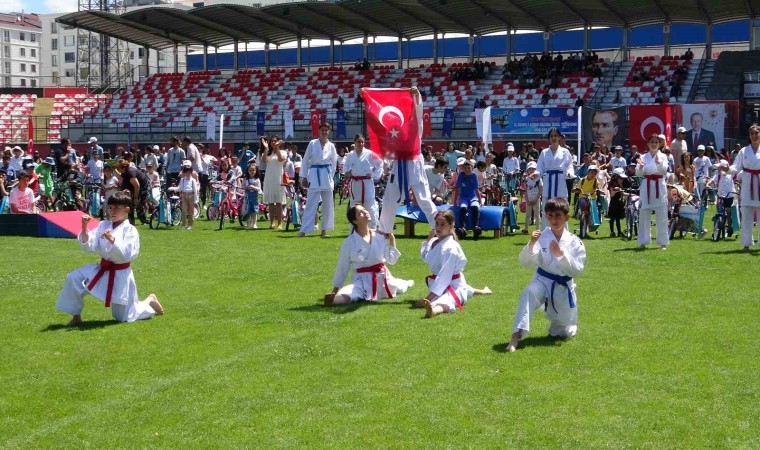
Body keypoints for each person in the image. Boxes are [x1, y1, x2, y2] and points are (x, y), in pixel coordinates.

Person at [55, 191, 164, 325]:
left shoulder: (130, 230)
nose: (112, 211)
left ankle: (149, 302)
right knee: (74, 278)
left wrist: (112, 240)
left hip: (121, 274)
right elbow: (90, 246)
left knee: (124, 317)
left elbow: (128, 255)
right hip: (101, 269)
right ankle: (76, 317)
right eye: (110, 208)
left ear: (126, 210)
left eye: (117, 208)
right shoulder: (103, 225)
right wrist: (84, 227)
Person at [506, 198, 586, 352]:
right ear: (545, 216)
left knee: (562, 332)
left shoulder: (575, 242)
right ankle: (515, 336)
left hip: (562, 284)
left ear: (567, 217)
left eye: (558, 215)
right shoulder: (541, 237)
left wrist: (562, 255)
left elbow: (577, 270)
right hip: (542, 279)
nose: (554, 220)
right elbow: (526, 262)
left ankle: (563, 325)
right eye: (550, 216)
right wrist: (531, 244)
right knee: (529, 292)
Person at [376, 87, 439, 236]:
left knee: (424, 199)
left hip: (414, 163)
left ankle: (439, 228)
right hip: (399, 164)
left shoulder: (416, 125)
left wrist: (417, 97)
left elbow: (418, 111)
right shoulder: (394, 128)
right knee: (390, 198)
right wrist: (366, 96)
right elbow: (379, 115)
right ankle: (384, 231)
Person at [325, 205, 414, 306]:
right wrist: (335, 289)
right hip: (361, 280)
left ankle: (407, 283)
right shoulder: (349, 242)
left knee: (400, 286)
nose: (365, 212)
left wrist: (392, 240)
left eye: (364, 210)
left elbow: (391, 260)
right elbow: (342, 266)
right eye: (360, 213)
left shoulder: (379, 236)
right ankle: (334, 299)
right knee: (350, 293)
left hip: (382, 277)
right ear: (355, 221)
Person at [418, 210, 492, 318]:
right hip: (440, 282)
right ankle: (483, 291)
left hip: (453, 284)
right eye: (437, 223)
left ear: (451, 226)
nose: (438, 227)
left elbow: (444, 277)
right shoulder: (434, 241)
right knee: (465, 290)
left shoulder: (450, 248)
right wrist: (429, 239)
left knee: (447, 299)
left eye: (443, 224)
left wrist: (427, 298)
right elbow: (426, 258)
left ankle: (434, 311)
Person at [300, 122, 338, 237]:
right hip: (314, 174)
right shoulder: (313, 143)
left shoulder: (331, 146)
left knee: (328, 204)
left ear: (329, 132)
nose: (324, 132)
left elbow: (334, 163)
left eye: (326, 130)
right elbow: (305, 160)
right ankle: (304, 230)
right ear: (319, 131)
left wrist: (331, 176)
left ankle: (324, 229)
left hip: (326, 175)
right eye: (322, 130)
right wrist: (304, 176)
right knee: (311, 204)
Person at [636, 133, 670, 250]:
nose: (654, 144)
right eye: (651, 142)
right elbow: (638, 174)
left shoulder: (663, 156)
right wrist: (640, 167)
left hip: (659, 184)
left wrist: (658, 163)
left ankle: (663, 242)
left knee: (662, 213)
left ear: (659, 144)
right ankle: (643, 241)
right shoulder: (643, 157)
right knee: (644, 212)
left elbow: (664, 171)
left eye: (656, 142)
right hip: (646, 185)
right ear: (647, 143)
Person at [535, 128, 574, 227]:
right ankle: (546, 232)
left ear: (559, 137)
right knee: (547, 210)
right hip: (548, 182)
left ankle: (563, 233)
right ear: (549, 138)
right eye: (551, 136)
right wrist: (536, 173)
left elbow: (569, 165)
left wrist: (569, 173)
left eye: (556, 135)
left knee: (561, 209)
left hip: (560, 181)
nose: (553, 138)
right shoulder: (544, 152)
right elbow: (540, 167)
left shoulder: (565, 151)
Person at [343, 134, 383, 228]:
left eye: (362, 142)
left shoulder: (369, 153)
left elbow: (380, 163)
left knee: (369, 205)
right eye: (358, 142)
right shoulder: (351, 155)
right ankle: (354, 229)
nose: (361, 144)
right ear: (354, 142)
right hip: (355, 183)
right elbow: (346, 166)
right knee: (354, 206)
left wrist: (373, 174)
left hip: (366, 182)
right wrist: (347, 172)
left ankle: (372, 228)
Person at [731, 124, 760, 251]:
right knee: (746, 214)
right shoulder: (744, 151)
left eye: (756, 133)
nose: (754, 136)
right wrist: (727, 169)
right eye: (752, 133)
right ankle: (746, 243)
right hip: (748, 184)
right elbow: (736, 167)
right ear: (749, 136)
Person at [262, 135, 288, 230]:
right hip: (269, 178)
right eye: (272, 141)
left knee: (279, 202)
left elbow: (280, 159)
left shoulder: (283, 152)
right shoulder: (268, 152)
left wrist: (277, 147)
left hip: (278, 178)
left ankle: (280, 223)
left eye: (275, 140)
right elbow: (264, 161)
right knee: (271, 202)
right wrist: (266, 149)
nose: (273, 142)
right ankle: (272, 222)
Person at [705, 160, 736, 237]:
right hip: (720, 195)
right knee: (719, 209)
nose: (718, 169)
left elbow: (736, 172)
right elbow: (712, 180)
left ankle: (729, 227)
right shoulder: (718, 175)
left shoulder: (730, 174)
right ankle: (718, 224)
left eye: (720, 167)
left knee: (729, 213)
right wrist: (708, 184)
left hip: (729, 196)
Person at [115, 160, 149, 225]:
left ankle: (144, 220)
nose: (117, 169)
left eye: (118, 168)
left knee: (138, 203)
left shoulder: (130, 173)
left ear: (123, 168)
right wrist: (114, 169)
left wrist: (135, 198)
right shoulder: (124, 171)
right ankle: (131, 222)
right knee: (129, 203)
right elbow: (120, 176)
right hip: (132, 186)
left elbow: (137, 186)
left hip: (142, 187)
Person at [454, 158, 481, 239]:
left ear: (472, 168)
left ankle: (475, 226)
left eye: (469, 168)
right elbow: (458, 189)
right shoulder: (461, 176)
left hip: (472, 197)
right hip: (463, 198)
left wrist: (480, 201)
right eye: (465, 168)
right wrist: (455, 201)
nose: (467, 170)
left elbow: (476, 189)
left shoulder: (474, 176)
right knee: (463, 208)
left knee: (475, 207)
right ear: (463, 168)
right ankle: (462, 227)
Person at [607, 167, 629, 237]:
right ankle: (612, 232)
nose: (622, 180)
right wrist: (615, 190)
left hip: (619, 203)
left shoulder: (620, 185)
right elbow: (611, 195)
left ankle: (619, 232)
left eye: (622, 179)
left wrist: (630, 194)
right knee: (612, 218)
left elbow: (622, 193)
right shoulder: (612, 185)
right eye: (620, 178)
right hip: (614, 203)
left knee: (618, 219)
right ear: (616, 177)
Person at [178, 160, 199, 230]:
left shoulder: (193, 180)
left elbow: (195, 190)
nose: (188, 173)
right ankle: (183, 224)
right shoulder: (182, 180)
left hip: (191, 195)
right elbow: (180, 188)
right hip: (184, 195)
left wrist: (196, 199)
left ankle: (190, 224)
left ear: (191, 172)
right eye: (186, 172)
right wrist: (172, 188)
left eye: (189, 172)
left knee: (191, 211)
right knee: (184, 210)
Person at [523, 161, 542, 234]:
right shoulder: (526, 179)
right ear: (528, 170)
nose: (531, 170)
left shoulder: (539, 179)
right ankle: (526, 229)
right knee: (528, 215)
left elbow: (540, 189)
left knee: (537, 215)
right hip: (529, 198)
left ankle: (538, 229)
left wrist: (536, 199)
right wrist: (527, 200)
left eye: (533, 169)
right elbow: (525, 190)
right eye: (530, 169)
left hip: (536, 198)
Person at [243, 164, 261, 229]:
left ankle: (254, 223)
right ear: (248, 171)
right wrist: (247, 187)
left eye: (253, 170)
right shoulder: (245, 179)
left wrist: (253, 187)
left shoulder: (257, 180)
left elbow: (259, 188)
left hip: (254, 198)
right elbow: (242, 187)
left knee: (254, 211)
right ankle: (248, 223)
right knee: (248, 210)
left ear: (256, 171)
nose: (252, 172)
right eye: (250, 170)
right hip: (247, 198)